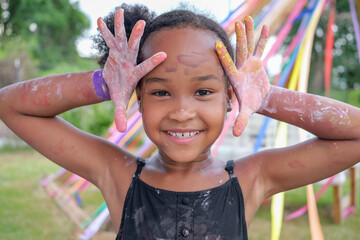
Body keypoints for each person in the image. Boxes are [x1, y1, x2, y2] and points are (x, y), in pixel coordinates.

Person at [0, 3, 359, 240]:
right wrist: (104, 84)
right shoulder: (116, 172)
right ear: (137, 95)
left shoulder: (253, 178)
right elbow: (11, 105)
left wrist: (267, 98)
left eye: (203, 92)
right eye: (160, 92)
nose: (182, 111)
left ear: (230, 96)